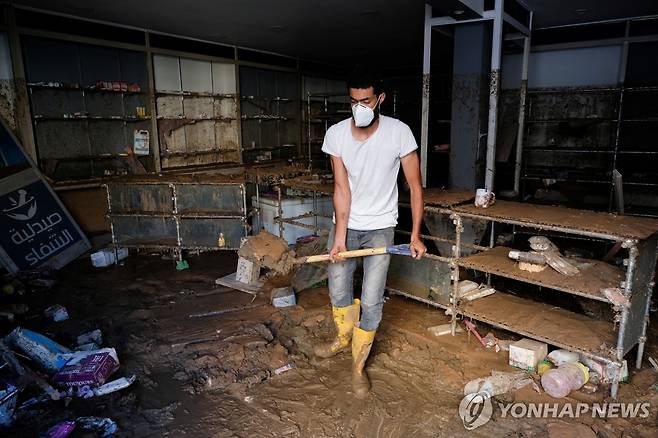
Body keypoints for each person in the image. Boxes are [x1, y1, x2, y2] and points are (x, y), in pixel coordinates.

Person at [315, 66, 427, 398]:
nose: (359, 107)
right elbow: (341, 187)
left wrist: (416, 235)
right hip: (346, 225)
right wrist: (339, 236)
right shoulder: (336, 134)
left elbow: (415, 187)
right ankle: (342, 338)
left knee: (373, 299)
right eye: (353, 101)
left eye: (365, 100)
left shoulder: (399, 133)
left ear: (380, 99)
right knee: (337, 290)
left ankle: (358, 365)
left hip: (381, 228)